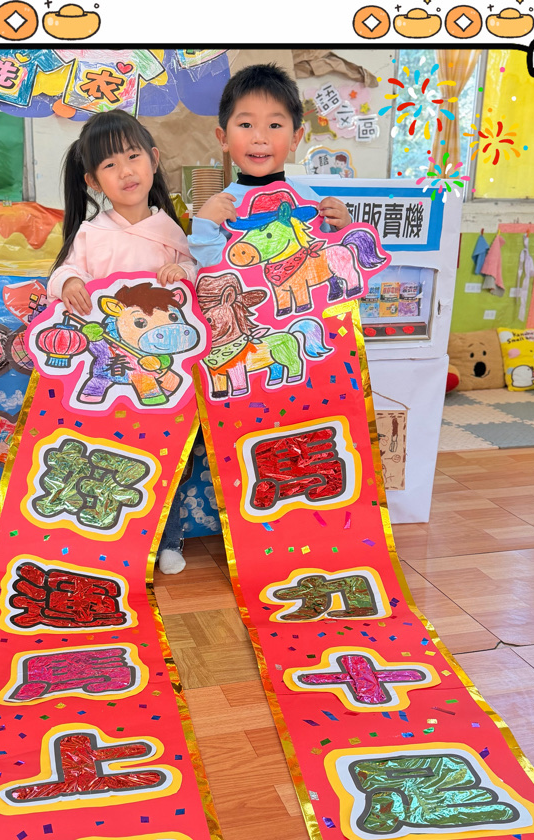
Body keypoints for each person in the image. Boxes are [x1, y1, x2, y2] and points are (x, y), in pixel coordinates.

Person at [47, 109, 194, 575]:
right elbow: (64, 272)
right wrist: (70, 282)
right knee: (113, 451)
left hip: (161, 365)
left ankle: (168, 540)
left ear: (153, 159)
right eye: (110, 165)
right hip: (109, 365)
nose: (126, 171)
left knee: (169, 454)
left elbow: (196, 284)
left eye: (133, 156)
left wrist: (183, 271)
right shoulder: (92, 233)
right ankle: (118, 541)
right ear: (93, 181)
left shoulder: (171, 232)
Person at [187, 63, 352, 269]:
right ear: (224, 138)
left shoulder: (312, 202)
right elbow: (212, 272)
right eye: (246, 125)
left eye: (274, 125)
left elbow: (335, 258)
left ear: (295, 138)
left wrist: (344, 227)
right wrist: (204, 226)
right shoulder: (220, 208)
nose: (259, 138)